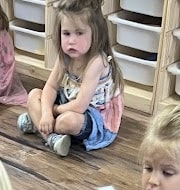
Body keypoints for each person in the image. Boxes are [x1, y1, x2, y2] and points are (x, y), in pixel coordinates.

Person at [17, 0, 123, 157]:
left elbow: (80, 106)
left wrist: (52, 111)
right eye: (66, 33)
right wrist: (46, 113)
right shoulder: (64, 57)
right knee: (33, 94)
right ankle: (51, 137)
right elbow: (51, 87)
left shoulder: (96, 62)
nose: (71, 40)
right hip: (67, 101)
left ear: (95, 33)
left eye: (79, 33)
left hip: (92, 113)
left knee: (67, 122)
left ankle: (38, 122)